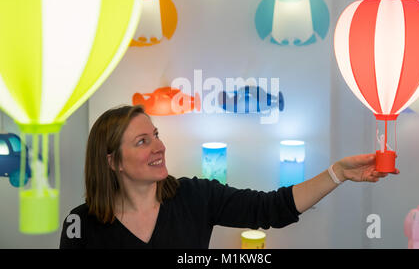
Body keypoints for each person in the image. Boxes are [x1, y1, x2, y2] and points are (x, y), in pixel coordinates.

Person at [59, 105, 399, 249]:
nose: (159, 146)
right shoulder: (81, 224)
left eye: (156, 134)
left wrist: (337, 173)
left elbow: (271, 208)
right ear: (113, 161)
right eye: (142, 141)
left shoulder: (195, 196)